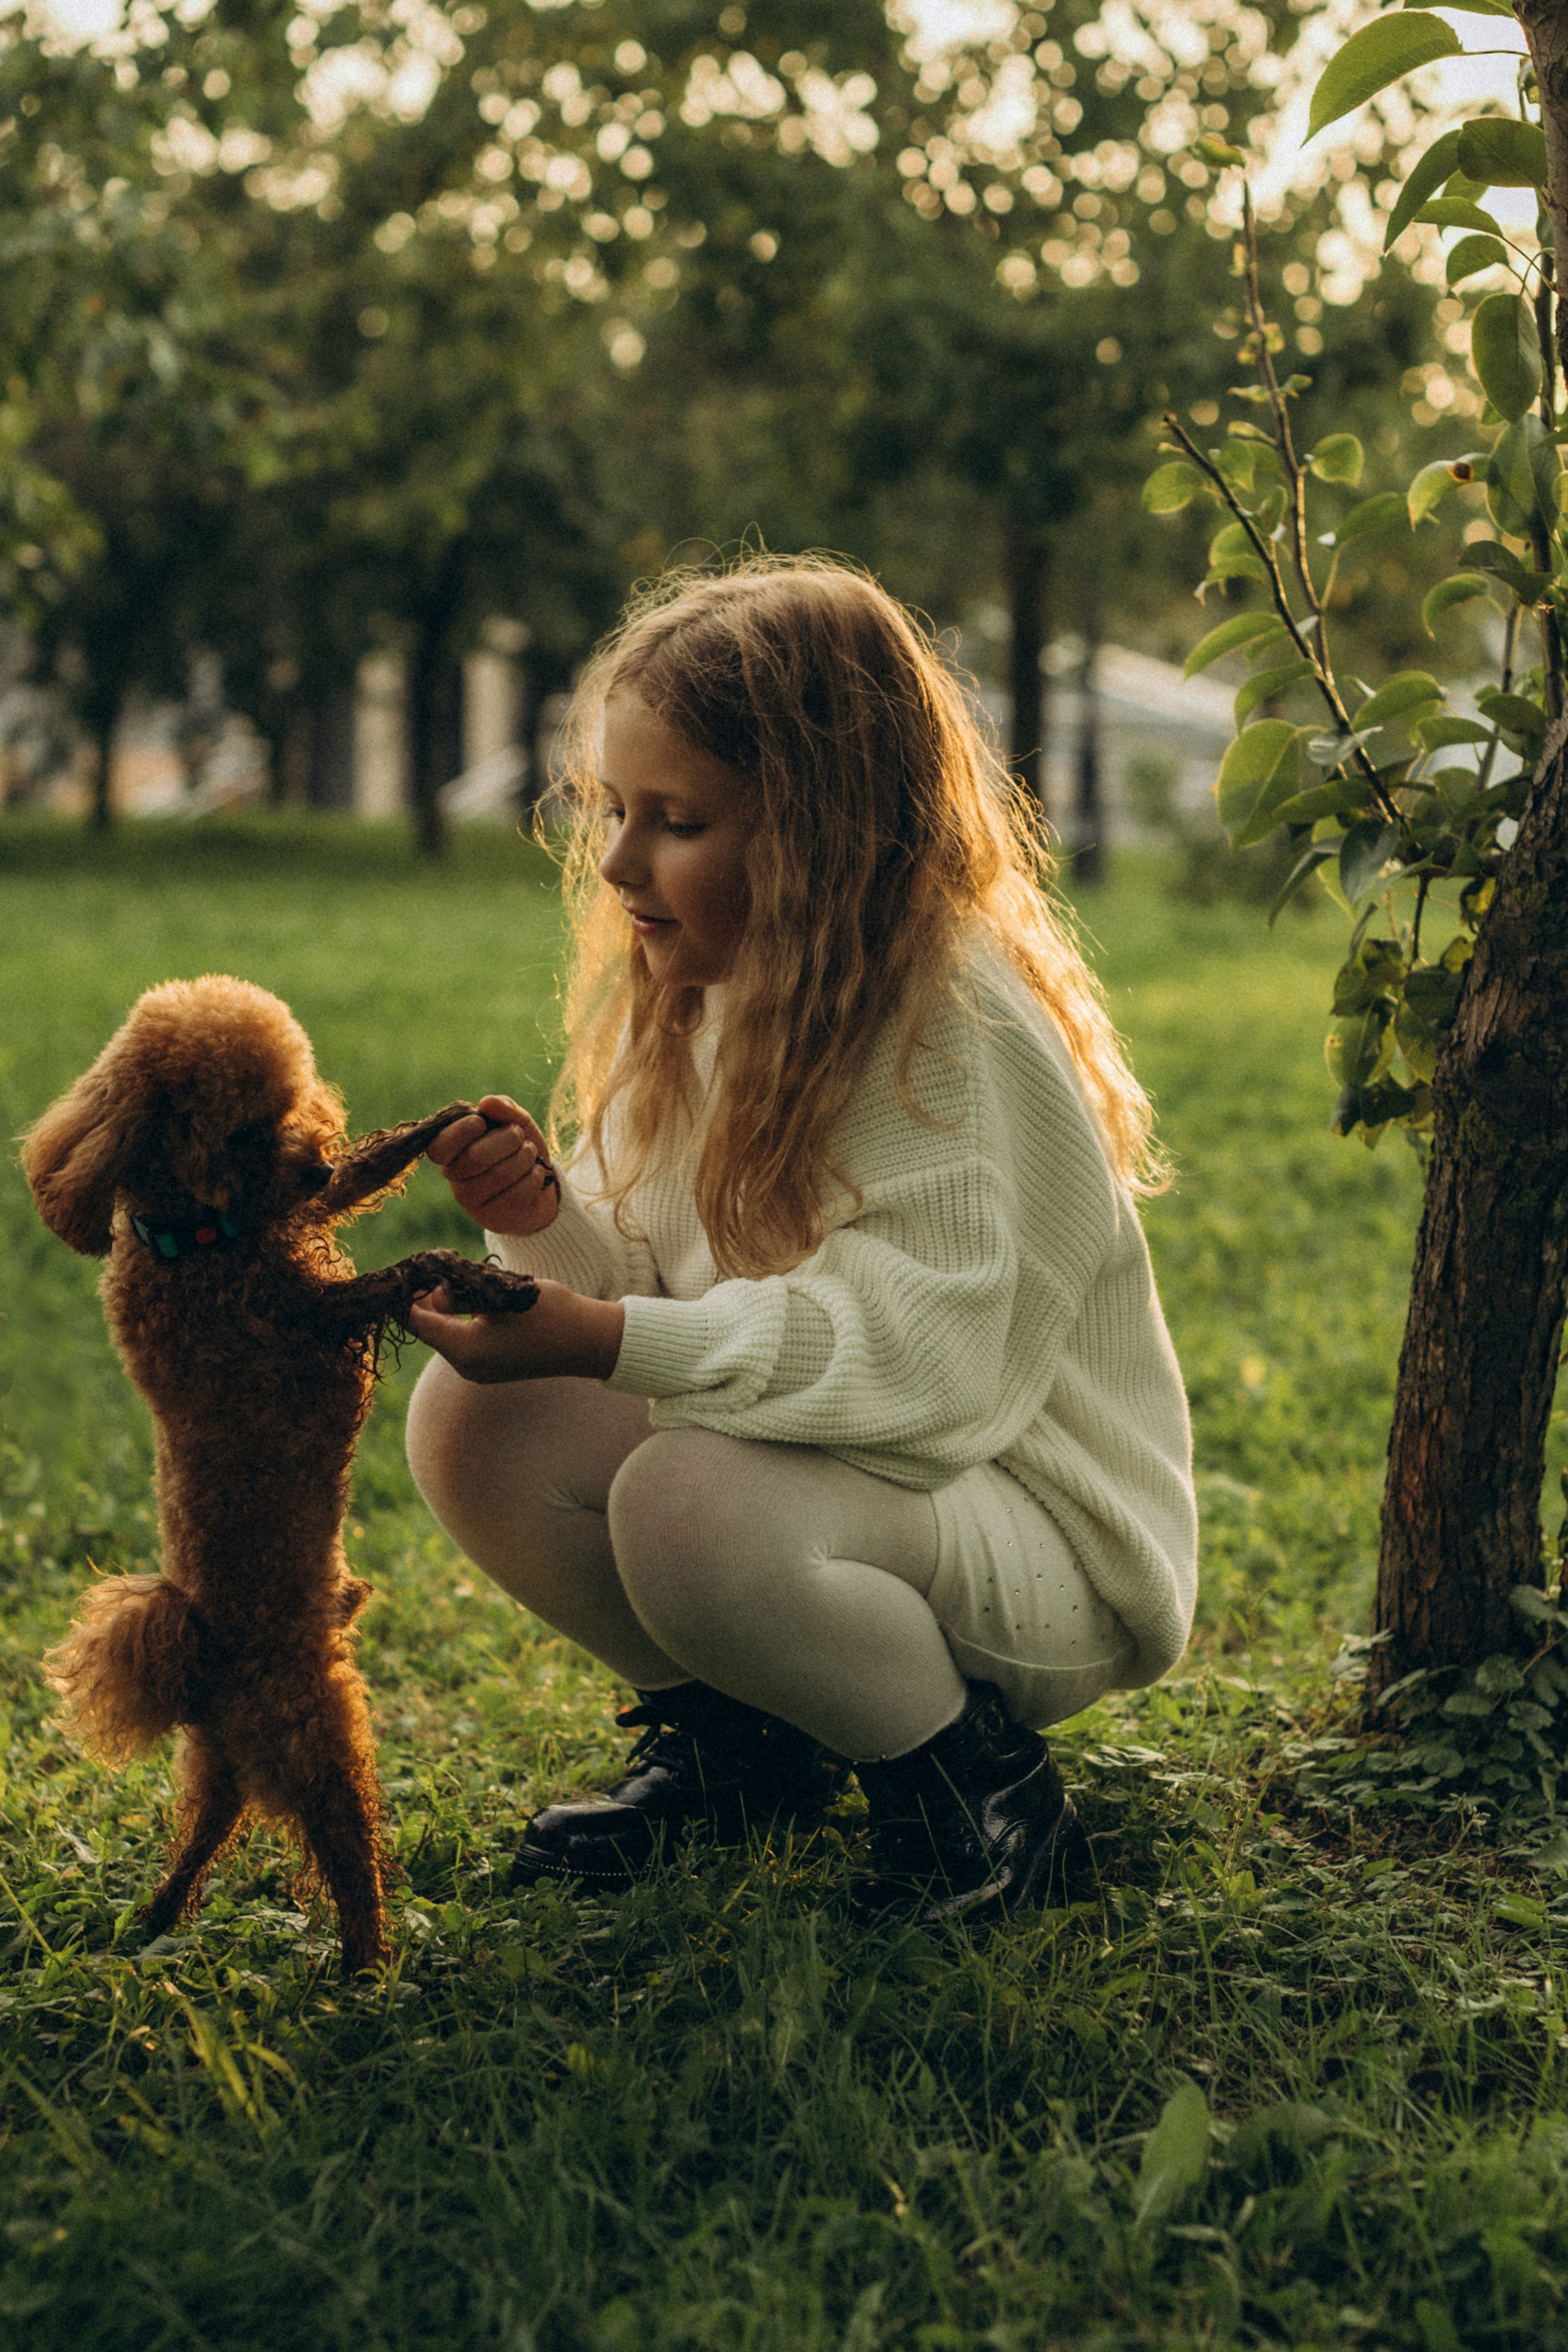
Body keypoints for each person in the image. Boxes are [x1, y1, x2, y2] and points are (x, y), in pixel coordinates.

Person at [405, 556, 1196, 1924]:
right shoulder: (708, 996)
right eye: (612, 809)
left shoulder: (952, 1023)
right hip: (853, 1483)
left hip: (1039, 1531)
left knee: (685, 1502)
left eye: (677, 820)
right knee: (476, 1424)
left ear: (818, 830)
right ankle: (744, 1749)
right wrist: (540, 1229)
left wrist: (603, 1336)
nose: (617, 863)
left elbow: (920, 1368)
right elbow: (640, 1294)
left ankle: (978, 1803)